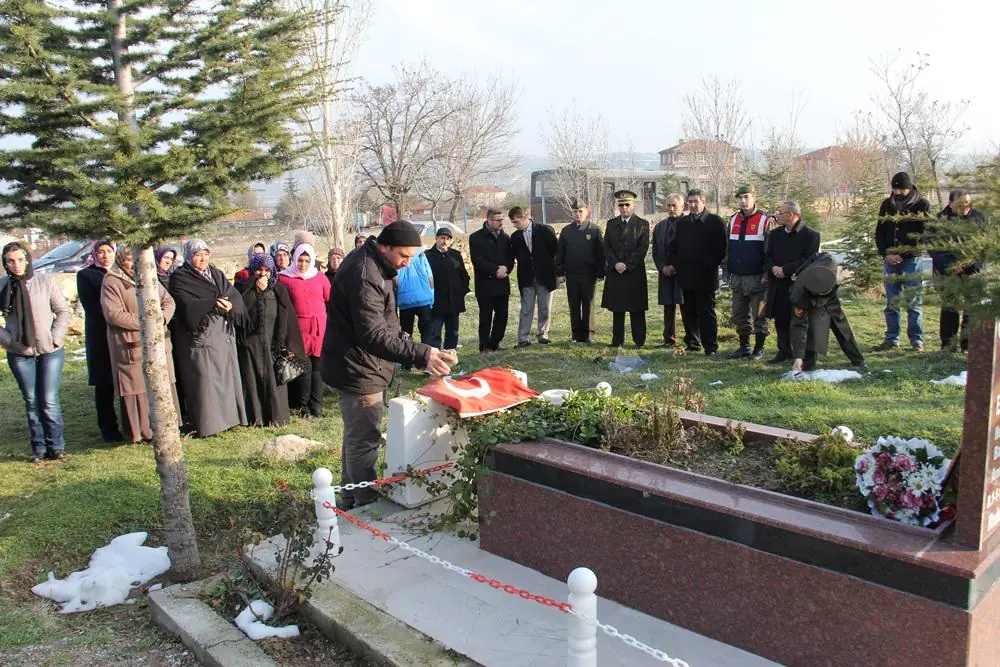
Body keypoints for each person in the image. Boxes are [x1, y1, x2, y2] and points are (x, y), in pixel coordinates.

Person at [321, 220, 456, 509]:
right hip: (357, 367)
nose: (407, 263)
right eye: (404, 256)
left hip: (364, 363)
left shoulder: (380, 265)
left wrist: (413, 345)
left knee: (357, 435)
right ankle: (366, 501)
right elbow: (372, 334)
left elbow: (384, 323)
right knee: (365, 438)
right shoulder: (364, 273)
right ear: (385, 246)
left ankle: (349, 495)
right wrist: (423, 355)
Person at [168, 239, 248, 437]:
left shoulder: (215, 273)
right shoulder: (180, 277)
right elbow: (187, 305)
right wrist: (213, 303)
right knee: (207, 382)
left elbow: (232, 293)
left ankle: (231, 419)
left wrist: (232, 305)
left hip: (223, 333)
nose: (202, 258)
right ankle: (211, 424)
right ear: (188, 256)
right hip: (202, 336)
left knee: (227, 378)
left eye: (205, 254)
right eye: (197, 255)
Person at [100, 245, 179, 443]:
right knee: (137, 386)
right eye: (128, 259)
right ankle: (143, 432)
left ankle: (168, 425)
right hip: (131, 343)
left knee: (162, 382)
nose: (133, 263)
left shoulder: (148, 275)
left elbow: (168, 301)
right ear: (121, 260)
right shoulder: (112, 281)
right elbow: (113, 314)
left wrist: (161, 319)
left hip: (158, 341)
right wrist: (146, 322)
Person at [0, 242, 71, 463]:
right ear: (5, 263)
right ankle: (39, 448)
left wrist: (55, 337)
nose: (16, 265)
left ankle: (56, 447)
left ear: (28, 260)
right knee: (31, 401)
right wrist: (9, 341)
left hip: (50, 351)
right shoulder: (2, 285)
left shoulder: (44, 281)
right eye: (11, 261)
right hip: (20, 353)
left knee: (48, 400)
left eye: (20, 259)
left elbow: (62, 311)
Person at [237, 252, 305, 427]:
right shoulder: (244, 288)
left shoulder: (279, 288)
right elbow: (241, 312)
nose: (263, 273)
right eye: (259, 269)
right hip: (251, 342)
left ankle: (277, 417)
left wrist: (288, 344)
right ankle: (256, 418)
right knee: (253, 380)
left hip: (274, 342)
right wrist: (256, 289)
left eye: (267, 269)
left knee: (275, 380)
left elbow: (288, 317)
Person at [664, 189, 728, 356]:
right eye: (690, 202)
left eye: (695, 201)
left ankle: (710, 346)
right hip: (686, 275)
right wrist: (679, 264)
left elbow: (721, 250)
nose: (692, 205)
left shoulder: (715, 222)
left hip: (706, 276)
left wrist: (707, 264)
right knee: (689, 311)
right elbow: (673, 247)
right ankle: (693, 343)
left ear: (703, 201)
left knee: (706, 311)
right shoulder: (683, 223)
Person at [874, 171, 931, 352]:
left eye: (901, 189)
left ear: (909, 188)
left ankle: (916, 341)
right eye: (895, 189)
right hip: (890, 260)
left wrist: (904, 254)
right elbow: (880, 232)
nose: (897, 192)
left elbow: (924, 234)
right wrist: (885, 254)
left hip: (911, 261)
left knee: (913, 302)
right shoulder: (886, 204)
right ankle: (892, 339)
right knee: (892, 302)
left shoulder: (922, 204)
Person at [77, 239, 124, 442]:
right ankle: (108, 427)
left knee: (126, 380)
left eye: (109, 251)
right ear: (95, 254)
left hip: (123, 333)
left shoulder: (121, 273)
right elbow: (92, 307)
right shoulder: (86, 275)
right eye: (101, 252)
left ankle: (131, 421)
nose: (105, 255)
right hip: (100, 334)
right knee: (104, 383)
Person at [788, 253, 866, 373]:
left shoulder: (829, 260)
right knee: (814, 330)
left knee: (841, 326)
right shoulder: (799, 296)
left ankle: (858, 359)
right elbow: (799, 326)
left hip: (831, 297)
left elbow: (816, 256)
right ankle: (807, 365)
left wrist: (798, 271)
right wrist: (798, 357)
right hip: (811, 301)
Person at [764, 201, 820, 364]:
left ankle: (801, 353)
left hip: (798, 284)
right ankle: (783, 351)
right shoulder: (775, 235)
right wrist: (773, 268)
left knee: (799, 319)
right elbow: (767, 256)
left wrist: (786, 270)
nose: (777, 215)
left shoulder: (811, 235)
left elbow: (809, 259)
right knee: (780, 319)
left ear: (791, 215)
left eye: (780, 213)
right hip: (778, 283)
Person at [929, 189, 985, 352]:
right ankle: (948, 345)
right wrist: (952, 266)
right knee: (950, 306)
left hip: (971, 271)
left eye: (968, 203)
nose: (965, 207)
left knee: (972, 307)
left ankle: (968, 345)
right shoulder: (939, 220)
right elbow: (934, 249)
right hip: (947, 272)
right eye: (961, 203)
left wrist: (968, 265)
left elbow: (983, 247)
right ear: (950, 203)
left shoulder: (978, 218)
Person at [278, 243, 330, 418]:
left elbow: (330, 298)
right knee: (304, 368)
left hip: (318, 329)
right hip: (298, 329)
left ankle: (317, 405)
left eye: (307, 261)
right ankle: (303, 406)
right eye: (300, 260)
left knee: (318, 368)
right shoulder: (284, 278)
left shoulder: (320, 277)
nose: (303, 264)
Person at [725, 185, 775, 359]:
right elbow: (727, 248)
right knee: (739, 314)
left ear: (754, 198)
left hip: (757, 278)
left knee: (759, 315)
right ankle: (743, 346)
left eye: (747, 197)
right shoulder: (733, 219)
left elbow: (771, 251)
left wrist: (766, 274)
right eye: (740, 198)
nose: (743, 201)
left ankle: (759, 348)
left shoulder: (765, 220)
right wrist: (726, 270)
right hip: (737, 276)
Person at [602, 189, 649, 348]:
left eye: (627, 205)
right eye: (621, 205)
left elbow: (642, 249)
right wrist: (615, 263)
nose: (624, 208)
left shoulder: (642, 224)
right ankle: (617, 340)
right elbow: (606, 246)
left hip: (634, 272)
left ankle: (639, 341)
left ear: (633, 205)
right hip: (616, 271)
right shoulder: (611, 223)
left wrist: (627, 265)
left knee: (637, 308)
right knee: (617, 308)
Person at [555, 199, 604, 343]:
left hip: (589, 275)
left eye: (580, 211)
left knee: (588, 304)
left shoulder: (594, 230)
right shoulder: (566, 231)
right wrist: (560, 273)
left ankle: (588, 333)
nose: (578, 214)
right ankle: (576, 334)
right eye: (575, 211)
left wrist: (601, 272)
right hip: (572, 274)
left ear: (587, 211)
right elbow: (560, 254)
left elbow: (600, 254)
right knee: (574, 304)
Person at [510, 206, 558, 347]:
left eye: (516, 222)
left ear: (525, 217)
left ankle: (543, 334)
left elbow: (555, 252)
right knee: (526, 309)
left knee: (544, 308)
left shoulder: (545, 231)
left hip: (545, 276)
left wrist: (558, 273)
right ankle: (523, 338)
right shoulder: (515, 237)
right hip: (526, 278)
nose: (514, 225)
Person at [468, 208, 514, 352]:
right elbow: (478, 260)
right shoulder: (476, 237)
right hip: (485, 285)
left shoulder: (505, 238)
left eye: (502, 219)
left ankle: (495, 342)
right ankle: (484, 346)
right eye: (498, 220)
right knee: (485, 317)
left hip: (502, 284)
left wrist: (506, 268)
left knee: (502, 316)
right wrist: (495, 270)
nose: (501, 222)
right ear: (489, 220)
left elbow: (510, 259)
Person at [425, 227, 470, 352]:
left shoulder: (456, 255)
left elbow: (464, 276)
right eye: (442, 238)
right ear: (436, 239)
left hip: (454, 301)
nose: (445, 241)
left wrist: (461, 292)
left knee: (453, 331)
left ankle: (450, 355)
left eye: (447, 239)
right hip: (436, 302)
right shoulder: (428, 256)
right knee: (435, 332)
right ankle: (435, 357)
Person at [651, 193, 686, 347]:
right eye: (669, 206)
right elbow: (655, 250)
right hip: (665, 272)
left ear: (682, 207)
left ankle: (692, 338)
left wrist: (675, 266)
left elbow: (688, 250)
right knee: (668, 305)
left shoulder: (688, 224)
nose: (671, 209)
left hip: (683, 272)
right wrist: (662, 267)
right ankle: (668, 338)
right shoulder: (660, 227)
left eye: (675, 206)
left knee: (686, 306)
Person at [396, 248, 434, 347]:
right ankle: (427, 356)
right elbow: (429, 276)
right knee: (426, 331)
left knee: (406, 332)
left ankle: (406, 358)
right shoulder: (420, 253)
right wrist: (431, 295)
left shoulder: (397, 253)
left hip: (404, 300)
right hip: (423, 298)